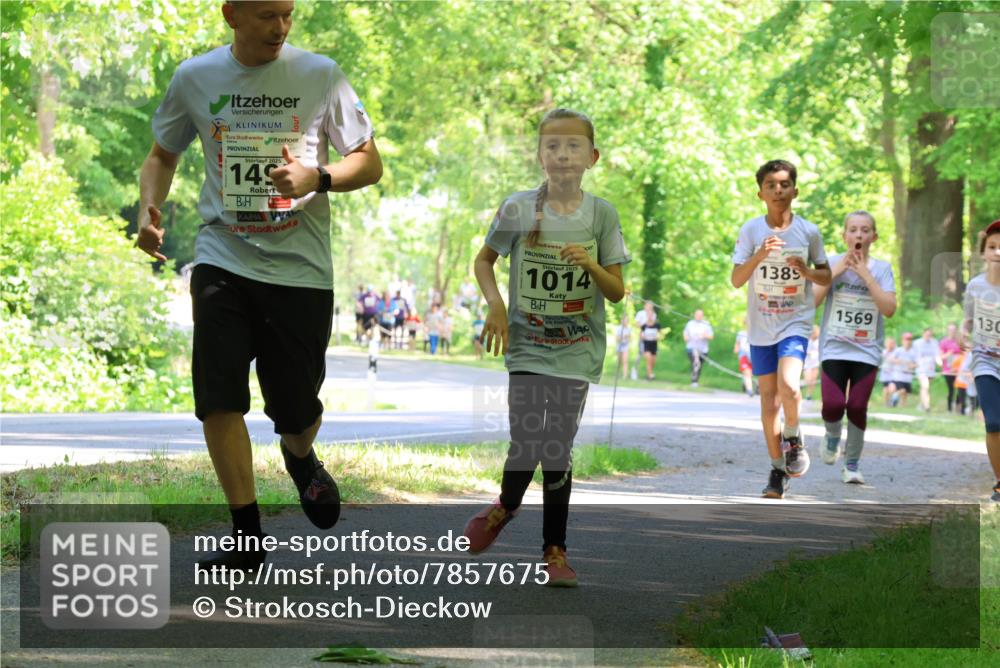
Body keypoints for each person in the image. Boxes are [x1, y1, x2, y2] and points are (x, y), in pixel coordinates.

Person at [136, 0, 382, 570]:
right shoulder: (195, 77)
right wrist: (151, 207)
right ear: (231, 14)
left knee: (294, 409)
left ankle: (300, 457)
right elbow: (161, 155)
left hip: (300, 268)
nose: (280, 27)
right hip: (223, 256)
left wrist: (315, 176)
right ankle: (246, 539)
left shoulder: (321, 75)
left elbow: (368, 163)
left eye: (288, 14)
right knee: (217, 396)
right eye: (267, 14)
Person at [462, 108, 629, 586]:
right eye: (552, 146)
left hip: (577, 351)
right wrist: (495, 305)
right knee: (527, 441)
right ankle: (506, 507)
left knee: (556, 446)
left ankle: (554, 550)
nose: (562, 154)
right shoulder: (518, 208)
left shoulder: (601, 215)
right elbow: (483, 261)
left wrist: (591, 265)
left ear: (592, 157)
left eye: (573, 146)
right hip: (529, 347)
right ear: (540, 156)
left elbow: (616, 290)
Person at [731, 159, 831, 499]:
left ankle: (794, 436)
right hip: (761, 327)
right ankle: (777, 471)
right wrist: (759, 255)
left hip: (795, 322)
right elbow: (736, 279)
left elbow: (826, 276)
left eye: (784, 184)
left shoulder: (809, 231)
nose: (778, 189)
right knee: (768, 403)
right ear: (760, 192)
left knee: (790, 386)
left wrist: (805, 270)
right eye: (771, 184)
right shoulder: (751, 231)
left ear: (795, 190)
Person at [814, 211, 897, 485]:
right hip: (834, 347)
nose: (858, 235)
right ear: (844, 235)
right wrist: (835, 273)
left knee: (858, 406)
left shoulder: (882, 269)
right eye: (853, 230)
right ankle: (833, 434)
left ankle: (851, 464)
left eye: (864, 230)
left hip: (866, 351)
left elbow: (889, 309)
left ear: (874, 236)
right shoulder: (831, 262)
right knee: (834, 404)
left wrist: (866, 276)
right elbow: (811, 302)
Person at [962, 219, 1000, 502]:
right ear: (984, 252)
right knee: (994, 422)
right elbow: (968, 323)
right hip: (985, 360)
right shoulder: (975, 286)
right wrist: (965, 335)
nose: (998, 252)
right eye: (992, 247)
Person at [682, 309, 714, 387]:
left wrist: (704, 336)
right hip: (692, 348)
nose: (699, 317)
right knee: (696, 362)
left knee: (699, 365)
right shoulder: (690, 324)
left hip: (703, 349)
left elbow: (711, 336)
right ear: (695, 315)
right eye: (697, 315)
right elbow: (685, 334)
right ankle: (694, 381)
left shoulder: (706, 324)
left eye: (700, 315)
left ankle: (695, 380)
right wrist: (687, 338)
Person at [914, 327, 941, 412]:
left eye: (930, 335)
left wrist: (940, 363)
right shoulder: (917, 343)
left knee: (926, 388)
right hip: (921, 369)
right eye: (927, 334)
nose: (928, 336)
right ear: (923, 334)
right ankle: (927, 406)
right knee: (925, 386)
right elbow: (915, 356)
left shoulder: (934, 342)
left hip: (931, 369)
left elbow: (937, 355)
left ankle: (921, 404)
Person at [636, 300, 662, 380]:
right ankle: (649, 374)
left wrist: (658, 336)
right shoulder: (641, 314)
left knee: (652, 360)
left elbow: (659, 332)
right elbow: (638, 327)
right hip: (645, 342)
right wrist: (642, 336)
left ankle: (649, 373)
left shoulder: (656, 323)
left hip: (654, 343)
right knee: (647, 358)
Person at [940, 323, 961, 412]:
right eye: (950, 330)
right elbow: (941, 357)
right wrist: (948, 354)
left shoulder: (959, 342)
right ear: (948, 331)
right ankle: (949, 409)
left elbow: (964, 355)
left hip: (959, 370)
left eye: (954, 330)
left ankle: (958, 407)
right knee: (951, 389)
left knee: (960, 389)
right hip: (948, 370)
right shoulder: (943, 342)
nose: (952, 332)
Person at [895, 332, 919, 407]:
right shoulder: (898, 350)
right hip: (899, 374)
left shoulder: (913, 352)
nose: (908, 341)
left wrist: (912, 366)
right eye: (906, 339)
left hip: (908, 375)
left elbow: (917, 363)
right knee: (902, 391)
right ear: (902, 340)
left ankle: (902, 406)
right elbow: (891, 359)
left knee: (905, 394)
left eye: (909, 339)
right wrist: (899, 361)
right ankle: (894, 397)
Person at [734, 319, 754, 397]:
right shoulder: (741, 333)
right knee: (747, 373)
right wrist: (736, 349)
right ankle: (750, 390)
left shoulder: (755, 333)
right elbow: (737, 343)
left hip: (753, 355)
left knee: (752, 373)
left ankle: (744, 383)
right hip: (743, 355)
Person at [880, 336, 900, 407]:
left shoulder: (897, 351)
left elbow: (898, 361)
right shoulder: (883, 351)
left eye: (893, 343)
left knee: (893, 388)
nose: (891, 345)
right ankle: (886, 403)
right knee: (886, 389)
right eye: (890, 343)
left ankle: (893, 400)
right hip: (885, 373)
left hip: (894, 373)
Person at [802, 325, 821, 401]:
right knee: (808, 379)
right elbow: (803, 349)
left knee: (813, 379)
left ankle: (809, 394)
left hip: (815, 362)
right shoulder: (807, 340)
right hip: (807, 362)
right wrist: (809, 353)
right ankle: (806, 391)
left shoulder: (819, 341)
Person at [615, 315, 632, 380]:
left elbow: (630, 338)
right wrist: (623, 337)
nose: (625, 322)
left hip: (626, 346)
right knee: (619, 361)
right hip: (619, 346)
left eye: (627, 320)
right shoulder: (619, 328)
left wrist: (628, 337)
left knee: (625, 361)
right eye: (624, 320)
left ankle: (625, 375)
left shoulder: (629, 329)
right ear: (622, 321)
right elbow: (617, 338)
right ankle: (618, 373)